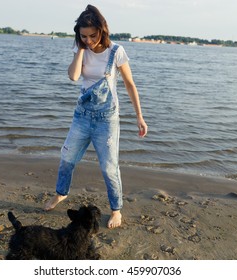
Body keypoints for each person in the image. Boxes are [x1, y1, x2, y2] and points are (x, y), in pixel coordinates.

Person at [44, 4, 148, 229]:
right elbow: (73, 76)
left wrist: (139, 116)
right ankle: (61, 193)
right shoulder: (81, 47)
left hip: (106, 119)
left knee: (109, 168)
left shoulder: (116, 51)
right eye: (84, 36)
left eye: (92, 35)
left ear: (102, 30)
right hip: (81, 116)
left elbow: (130, 85)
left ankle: (116, 210)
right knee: (67, 159)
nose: (89, 40)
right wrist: (81, 49)